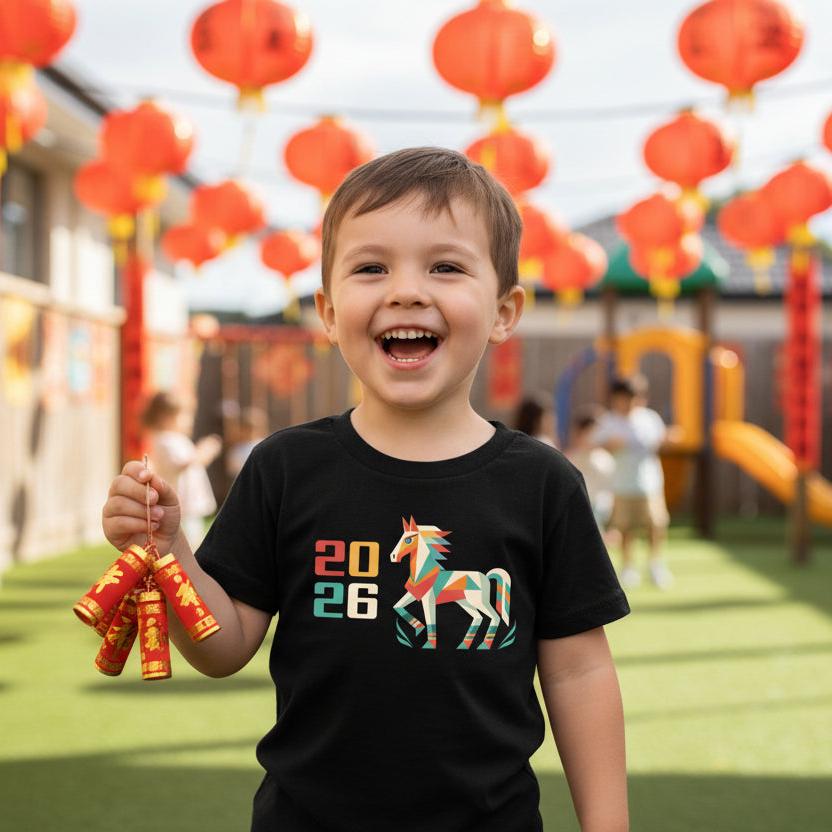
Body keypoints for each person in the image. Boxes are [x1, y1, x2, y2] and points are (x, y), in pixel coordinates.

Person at [103, 147, 630, 832]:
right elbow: (222, 647)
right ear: (327, 312)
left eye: (445, 267)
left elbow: (578, 672)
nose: (406, 291)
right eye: (371, 268)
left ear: (504, 311)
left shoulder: (543, 483)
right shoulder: (285, 468)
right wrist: (168, 549)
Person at [594, 376, 673, 590]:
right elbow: (595, 445)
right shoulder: (609, 421)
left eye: (631, 398)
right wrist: (610, 445)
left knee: (655, 525)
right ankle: (628, 566)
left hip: (650, 483)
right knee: (625, 528)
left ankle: (655, 564)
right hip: (621, 485)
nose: (626, 403)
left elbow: (661, 441)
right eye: (622, 398)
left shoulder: (650, 419)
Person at [140, 391, 222, 548]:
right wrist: (204, 450)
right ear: (165, 417)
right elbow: (184, 463)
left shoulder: (176, 438)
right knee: (188, 539)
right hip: (182, 499)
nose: (189, 420)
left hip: (188, 498)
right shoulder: (165, 440)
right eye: (184, 415)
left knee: (193, 535)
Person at [565, 406, 616, 534]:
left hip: (600, 504)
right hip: (581, 503)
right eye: (591, 432)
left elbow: (609, 484)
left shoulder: (603, 457)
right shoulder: (571, 457)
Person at [225, 406, 268, 480]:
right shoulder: (237, 449)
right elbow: (233, 471)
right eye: (248, 427)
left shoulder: (267, 445)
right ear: (242, 428)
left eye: (255, 427)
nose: (252, 431)